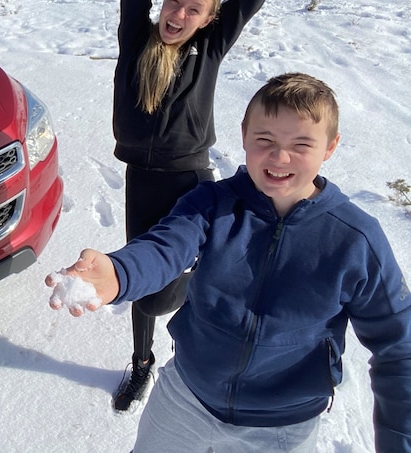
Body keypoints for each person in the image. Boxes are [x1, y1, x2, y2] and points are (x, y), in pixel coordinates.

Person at [47, 73, 411, 451]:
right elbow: (165, 247)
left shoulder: (355, 239)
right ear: (243, 134)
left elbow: (400, 348)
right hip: (185, 398)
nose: (280, 157)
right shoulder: (212, 203)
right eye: (264, 140)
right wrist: (119, 273)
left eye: (301, 144)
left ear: (330, 147)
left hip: (283, 427)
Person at [110, 0, 289, 411]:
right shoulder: (136, 39)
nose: (179, 14)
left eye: (194, 9)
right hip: (142, 180)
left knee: (192, 278)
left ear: (209, 20)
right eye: (174, 2)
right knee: (145, 285)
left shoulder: (208, 47)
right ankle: (141, 361)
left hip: (190, 184)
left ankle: (192, 353)